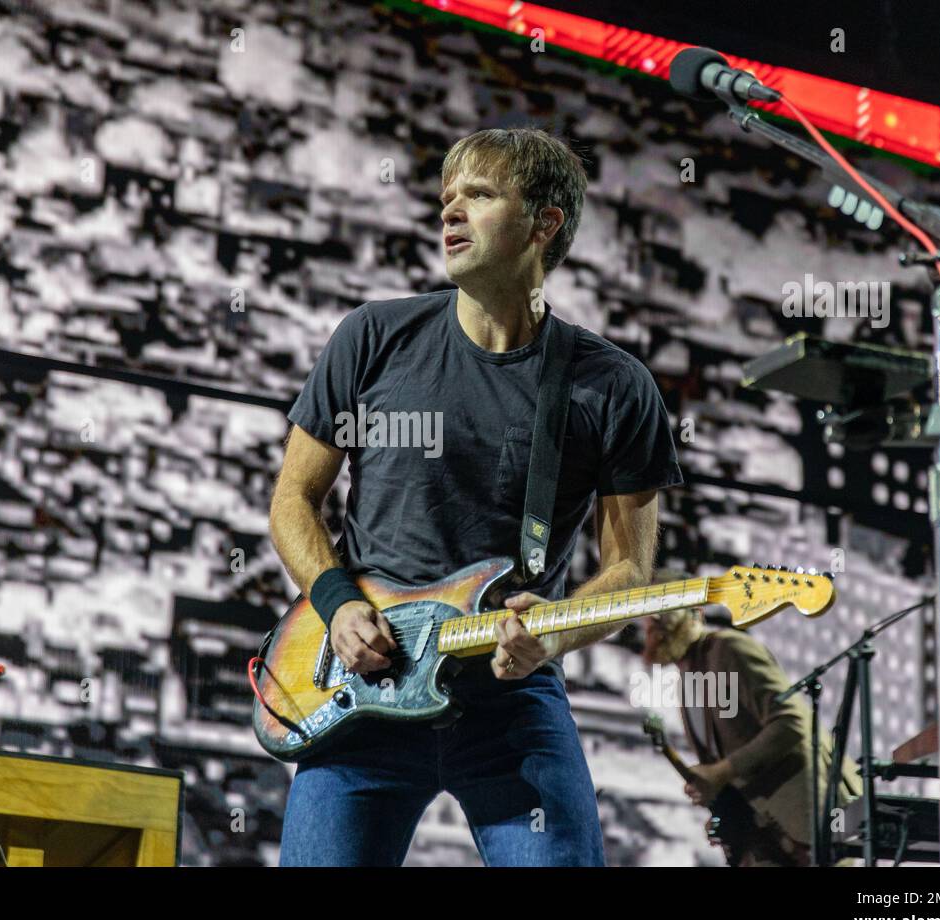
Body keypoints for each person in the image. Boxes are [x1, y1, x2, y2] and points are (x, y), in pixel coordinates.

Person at [269, 127, 683, 866]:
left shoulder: (611, 385)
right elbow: (294, 499)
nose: (450, 213)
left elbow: (631, 572)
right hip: (364, 688)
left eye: (480, 195)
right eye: (446, 198)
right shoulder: (373, 338)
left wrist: (549, 636)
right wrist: (339, 605)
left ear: (543, 223)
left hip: (507, 694)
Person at [640, 568, 862, 866]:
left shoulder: (729, 648)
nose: (656, 623)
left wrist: (722, 772)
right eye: (650, 614)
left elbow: (792, 722)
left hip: (814, 822)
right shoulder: (689, 678)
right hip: (774, 836)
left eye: (665, 611)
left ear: (697, 612)